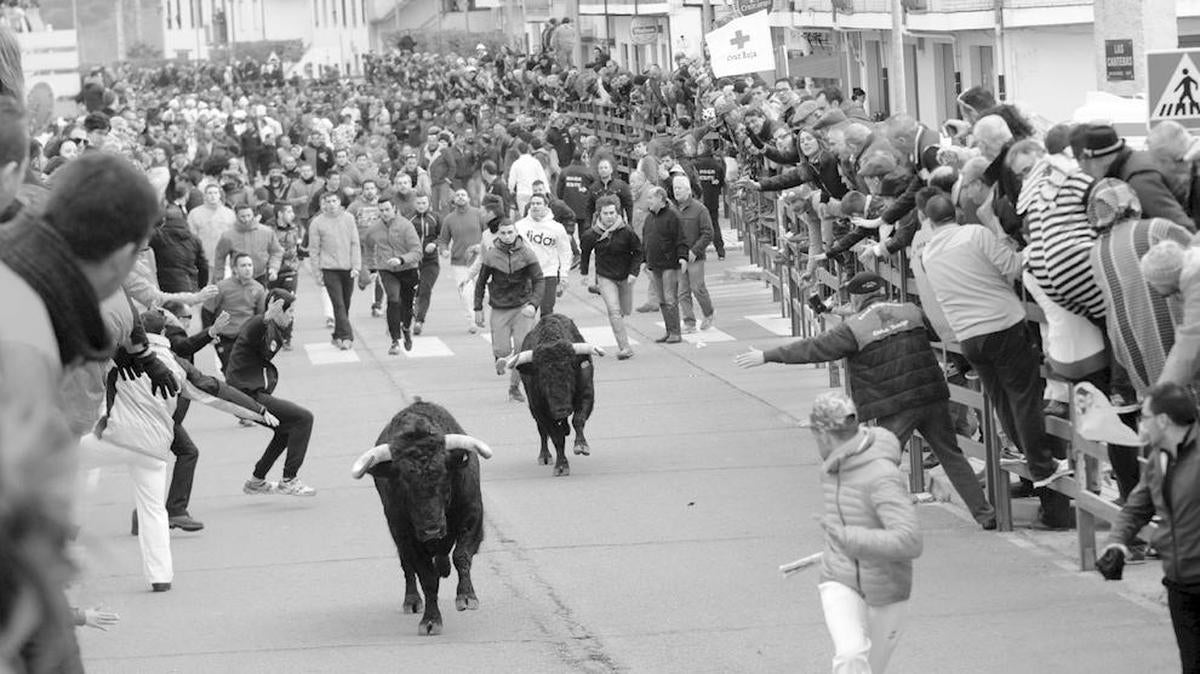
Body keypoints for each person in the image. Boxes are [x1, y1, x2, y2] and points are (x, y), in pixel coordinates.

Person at [735, 272, 997, 529]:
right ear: (881, 291)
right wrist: (964, 366)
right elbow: (945, 333)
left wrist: (767, 356)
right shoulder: (910, 311)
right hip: (931, 395)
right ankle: (985, 514)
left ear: (857, 298)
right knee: (951, 455)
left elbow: (813, 348)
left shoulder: (855, 327)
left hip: (894, 405)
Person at [82, 309, 273, 592]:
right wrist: (259, 411)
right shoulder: (177, 364)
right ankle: (160, 577)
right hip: (153, 450)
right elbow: (215, 391)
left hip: (114, 438)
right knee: (154, 512)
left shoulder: (119, 353)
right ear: (163, 334)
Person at [920, 192, 1074, 529]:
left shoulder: (929, 253)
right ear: (958, 214)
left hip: (969, 337)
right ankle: (1042, 465)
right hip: (1002, 325)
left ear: (930, 222)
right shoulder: (975, 234)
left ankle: (1020, 451)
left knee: (1001, 400)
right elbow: (1013, 266)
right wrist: (1033, 248)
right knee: (1024, 396)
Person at [806, 391, 922, 674]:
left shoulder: (881, 475)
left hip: (886, 586)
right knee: (850, 654)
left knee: (871, 667)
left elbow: (910, 541)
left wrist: (850, 539)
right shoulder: (832, 465)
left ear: (824, 434)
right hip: (839, 577)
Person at [1098, 381, 1200, 673]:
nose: (1141, 424)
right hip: (1179, 584)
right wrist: (1117, 542)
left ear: (1164, 421)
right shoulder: (1159, 457)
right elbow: (1137, 507)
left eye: (1145, 417)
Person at [225, 290, 317, 496]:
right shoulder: (257, 323)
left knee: (286, 429)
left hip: (249, 392)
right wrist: (267, 316)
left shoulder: (275, 329)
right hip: (245, 395)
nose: (292, 316)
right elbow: (252, 334)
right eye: (290, 311)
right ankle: (289, 479)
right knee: (304, 418)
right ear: (276, 310)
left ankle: (256, 481)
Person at [474, 219, 544, 403]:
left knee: (523, 348)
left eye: (510, 232)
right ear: (498, 235)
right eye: (503, 233)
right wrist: (478, 308)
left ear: (516, 232)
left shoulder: (527, 253)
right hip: (500, 307)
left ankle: (514, 387)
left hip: (522, 307)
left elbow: (539, 280)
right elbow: (480, 283)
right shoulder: (491, 256)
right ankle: (500, 357)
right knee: (502, 348)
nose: (507, 236)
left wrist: (533, 304)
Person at [579, 195, 642, 360]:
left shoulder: (626, 231)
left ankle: (620, 323)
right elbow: (585, 253)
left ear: (617, 213)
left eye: (612, 213)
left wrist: (634, 273)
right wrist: (584, 273)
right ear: (599, 215)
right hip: (605, 277)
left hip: (625, 276)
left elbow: (638, 252)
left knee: (625, 310)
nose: (610, 216)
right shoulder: (592, 234)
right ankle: (625, 348)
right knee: (614, 311)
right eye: (606, 213)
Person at [363, 199, 421, 354]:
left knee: (407, 305)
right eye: (381, 210)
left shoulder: (406, 226)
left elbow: (417, 251)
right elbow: (368, 247)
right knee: (393, 300)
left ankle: (406, 328)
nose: (384, 213)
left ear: (395, 209)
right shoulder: (374, 229)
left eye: (387, 209)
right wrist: (372, 268)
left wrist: (401, 259)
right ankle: (395, 341)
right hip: (387, 270)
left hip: (408, 269)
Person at [309, 191, 362, 350]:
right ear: (323, 204)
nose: (331, 204)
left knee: (345, 304)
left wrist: (356, 266)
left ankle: (337, 334)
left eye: (334, 201)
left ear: (339, 202)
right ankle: (347, 336)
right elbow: (314, 250)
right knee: (338, 304)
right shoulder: (317, 223)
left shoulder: (349, 219)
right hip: (329, 268)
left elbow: (355, 243)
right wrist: (317, 273)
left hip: (347, 268)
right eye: (327, 201)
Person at [201, 252, 267, 370]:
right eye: (243, 266)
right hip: (225, 338)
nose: (248, 269)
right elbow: (207, 310)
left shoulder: (259, 289)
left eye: (250, 265)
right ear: (235, 269)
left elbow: (260, 316)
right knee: (230, 370)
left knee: (245, 372)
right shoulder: (222, 287)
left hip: (246, 338)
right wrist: (209, 334)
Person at [641, 186, 688, 343]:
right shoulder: (649, 218)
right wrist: (644, 260)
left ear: (661, 199)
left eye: (651, 198)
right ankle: (669, 331)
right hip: (655, 264)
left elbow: (681, 238)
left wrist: (682, 257)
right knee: (661, 299)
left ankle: (675, 332)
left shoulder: (672, 215)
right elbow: (646, 241)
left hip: (669, 263)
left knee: (670, 298)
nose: (648, 201)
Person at [438, 188, 487, 333]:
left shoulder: (478, 214)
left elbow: (488, 234)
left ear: (469, 198)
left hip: (479, 260)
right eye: (458, 195)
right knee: (466, 293)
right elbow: (443, 240)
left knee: (481, 291)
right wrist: (444, 250)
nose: (460, 197)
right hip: (459, 262)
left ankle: (480, 314)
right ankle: (472, 322)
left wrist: (481, 246)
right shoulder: (449, 219)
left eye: (463, 195)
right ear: (454, 200)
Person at [515, 192, 572, 315]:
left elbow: (565, 252)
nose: (535, 206)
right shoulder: (520, 226)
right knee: (527, 311)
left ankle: (546, 333)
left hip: (549, 273)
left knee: (547, 310)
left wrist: (563, 274)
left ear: (546, 206)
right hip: (527, 274)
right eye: (533, 204)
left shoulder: (556, 227)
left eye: (539, 203)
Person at [671, 174, 715, 333]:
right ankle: (689, 322)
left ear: (688, 190)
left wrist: (695, 250)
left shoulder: (699, 209)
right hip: (679, 257)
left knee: (697, 288)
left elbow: (708, 233)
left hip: (695, 256)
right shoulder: (672, 209)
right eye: (675, 188)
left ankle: (708, 312)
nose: (676, 191)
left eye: (679, 188)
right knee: (682, 291)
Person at [212, 203, 283, 285]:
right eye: (243, 217)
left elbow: (277, 251)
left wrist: (274, 268)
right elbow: (220, 257)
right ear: (236, 217)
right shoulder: (228, 235)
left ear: (253, 215)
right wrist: (219, 277)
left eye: (249, 216)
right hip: (238, 277)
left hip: (260, 276)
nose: (246, 219)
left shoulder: (267, 232)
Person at [410, 192, 441, 335]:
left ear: (428, 204)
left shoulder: (435, 218)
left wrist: (434, 244)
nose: (421, 206)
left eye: (424, 203)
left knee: (425, 288)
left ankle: (419, 321)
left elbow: (444, 236)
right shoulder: (409, 219)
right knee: (414, 289)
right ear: (414, 204)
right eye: (419, 203)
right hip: (414, 261)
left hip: (431, 261)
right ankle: (414, 308)